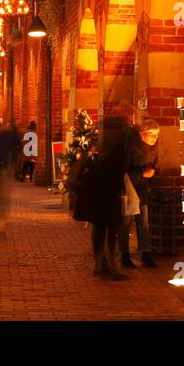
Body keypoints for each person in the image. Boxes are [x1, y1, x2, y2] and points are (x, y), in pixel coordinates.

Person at [72, 101, 135, 279]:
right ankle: (112, 265)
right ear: (127, 115)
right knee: (114, 226)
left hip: (95, 185)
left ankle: (99, 263)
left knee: (99, 225)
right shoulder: (124, 134)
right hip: (111, 185)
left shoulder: (100, 130)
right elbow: (124, 161)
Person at [121, 118, 160, 268]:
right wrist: (142, 173)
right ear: (143, 134)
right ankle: (124, 254)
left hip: (142, 189)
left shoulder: (153, 148)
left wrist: (151, 173)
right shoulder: (132, 148)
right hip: (128, 188)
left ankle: (145, 252)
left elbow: (154, 163)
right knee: (126, 222)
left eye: (156, 135)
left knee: (143, 222)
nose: (154, 138)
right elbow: (125, 170)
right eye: (152, 135)